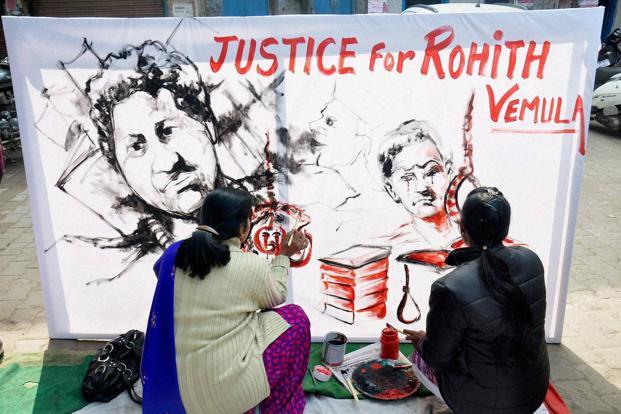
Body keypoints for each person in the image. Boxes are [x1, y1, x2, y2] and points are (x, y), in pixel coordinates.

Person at [142, 187, 311, 414]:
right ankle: (278, 408)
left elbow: (162, 275)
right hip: (221, 399)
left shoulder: (173, 254)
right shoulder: (250, 266)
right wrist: (283, 255)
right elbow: (277, 295)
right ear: (243, 229)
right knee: (296, 318)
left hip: (174, 391)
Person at [404, 187, 550, 413]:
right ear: (505, 227)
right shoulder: (532, 261)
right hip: (531, 393)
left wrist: (423, 342)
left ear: (463, 230)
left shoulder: (450, 287)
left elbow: (437, 358)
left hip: (479, 405)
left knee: (422, 358)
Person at [377, 119, 456, 248]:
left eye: (431, 172)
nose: (422, 187)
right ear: (391, 190)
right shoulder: (397, 249)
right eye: (408, 178)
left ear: (448, 170)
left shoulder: (479, 232)